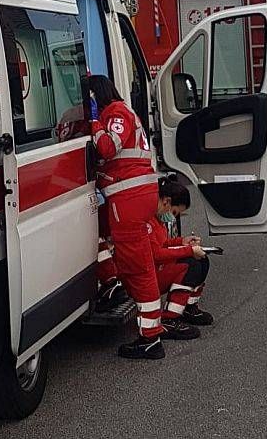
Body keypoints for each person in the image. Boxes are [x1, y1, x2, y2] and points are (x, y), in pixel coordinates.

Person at [89, 75, 165, 359]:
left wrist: (93, 122)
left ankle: (151, 338)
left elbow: (109, 148)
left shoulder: (116, 112)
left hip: (128, 199)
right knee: (97, 232)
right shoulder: (121, 112)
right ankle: (111, 281)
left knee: (138, 268)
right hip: (134, 196)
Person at [153, 177, 214, 332]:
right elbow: (156, 254)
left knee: (202, 260)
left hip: (158, 267)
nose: (173, 217)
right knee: (190, 265)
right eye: (174, 212)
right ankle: (169, 318)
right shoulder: (148, 221)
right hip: (150, 273)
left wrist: (183, 241)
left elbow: (164, 244)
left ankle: (189, 306)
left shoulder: (159, 221)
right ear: (166, 201)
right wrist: (188, 250)